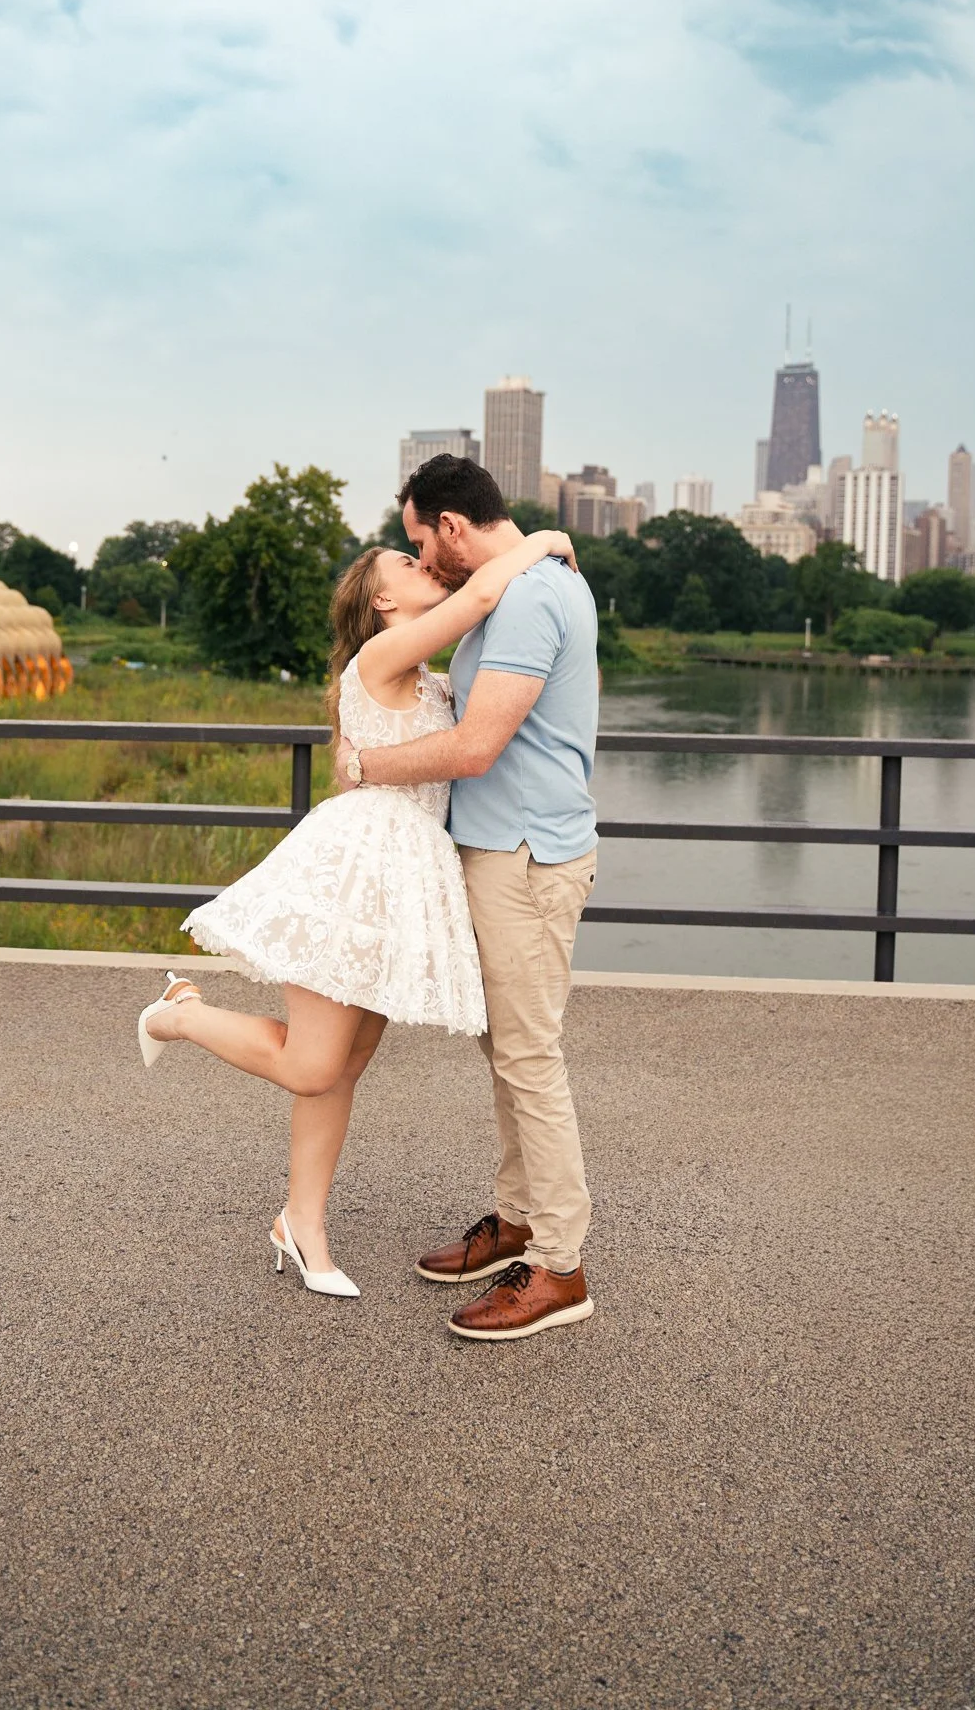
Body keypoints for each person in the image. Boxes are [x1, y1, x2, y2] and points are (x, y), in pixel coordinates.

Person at [134, 523, 578, 1301]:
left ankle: (301, 1224)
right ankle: (180, 1014)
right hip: (354, 875)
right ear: (382, 601)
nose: (422, 562)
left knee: (341, 1069)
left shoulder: (428, 678)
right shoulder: (379, 656)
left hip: (401, 885)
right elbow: (480, 594)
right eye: (407, 560)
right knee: (312, 1064)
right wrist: (541, 539)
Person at [333, 454, 599, 1342]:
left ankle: (559, 1267)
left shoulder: (527, 598)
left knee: (528, 1058)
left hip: (524, 858)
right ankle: (518, 1219)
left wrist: (364, 766)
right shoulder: (515, 585)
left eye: (419, 542)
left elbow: (475, 747)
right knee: (509, 1053)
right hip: (501, 854)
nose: (420, 558)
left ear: (450, 526)